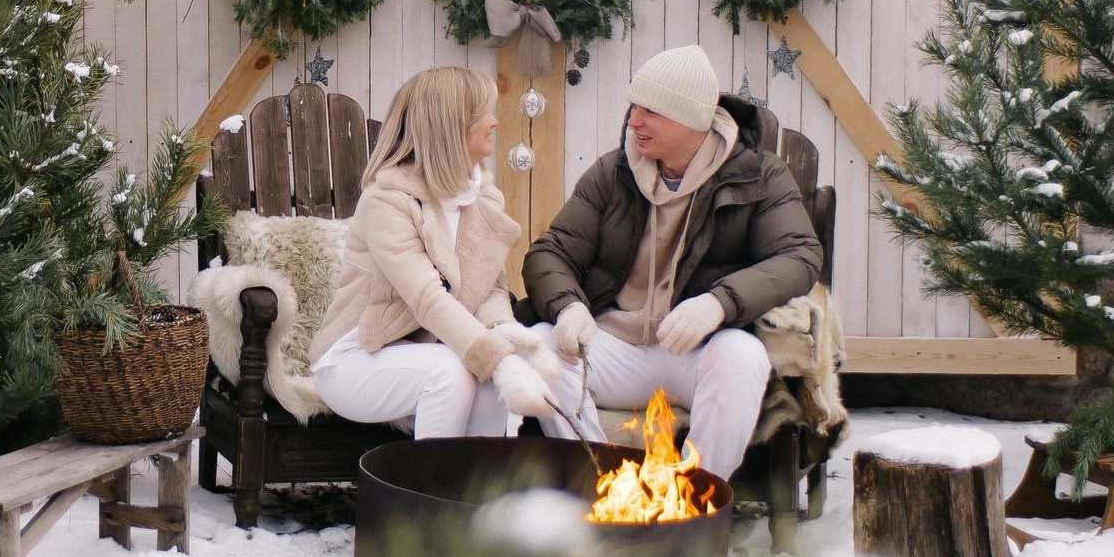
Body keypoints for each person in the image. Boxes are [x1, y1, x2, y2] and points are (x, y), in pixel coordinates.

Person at [523, 45, 823, 475]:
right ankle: (596, 483)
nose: (633, 120)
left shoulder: (760, 175)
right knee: (541, 346)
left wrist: (719, 303)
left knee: (742, 356)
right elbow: (549, 253)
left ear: (691, 118)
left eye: (650, 111)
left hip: (694, 351)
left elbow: (800, 255)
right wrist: (568, 308)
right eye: (633, 107)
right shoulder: (613, 173)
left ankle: (694, 498)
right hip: (614, 346)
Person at [308, 67, 560, 439]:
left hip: (432, 346)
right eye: (481, 115)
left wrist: (506, 335)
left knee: (486, 376)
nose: (494, 122)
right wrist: (502, 361)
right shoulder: (388, 202)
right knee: (453, 370)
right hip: (357, 355)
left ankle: (476, 493)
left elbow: (489, 289)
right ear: (449, 127)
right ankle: (429, 492)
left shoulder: (483, 197)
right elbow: (427, 298)